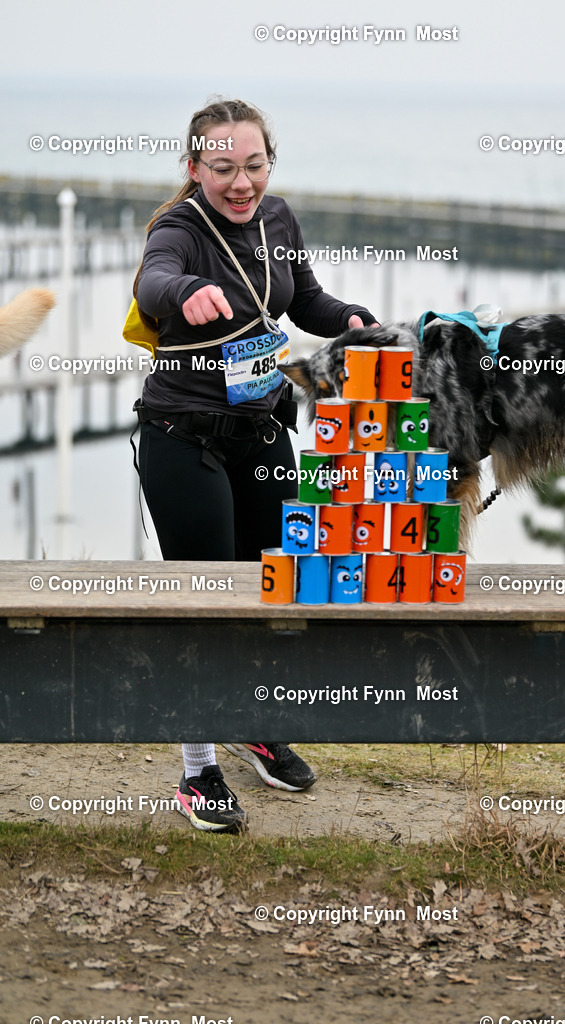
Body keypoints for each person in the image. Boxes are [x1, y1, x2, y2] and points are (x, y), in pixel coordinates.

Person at [131, 97, 378, 834]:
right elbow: (153, 283)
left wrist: (349, 319)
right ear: (194, 166)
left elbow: (304, 299)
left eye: (254, 166)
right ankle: (197, 768)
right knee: (205, 601)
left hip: (262, 427)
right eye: (223, 168)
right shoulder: (176, 228)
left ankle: (254, 723)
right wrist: (186, 292)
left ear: (270, 162)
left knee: (273, 587)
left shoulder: (279, 222)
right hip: (184, 434)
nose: (241, 183)